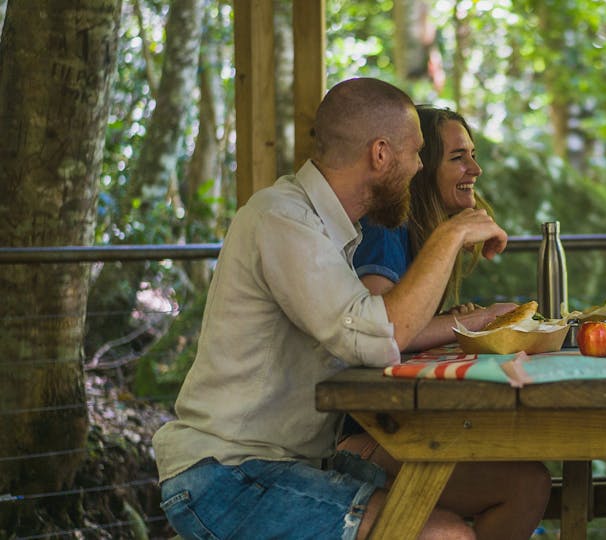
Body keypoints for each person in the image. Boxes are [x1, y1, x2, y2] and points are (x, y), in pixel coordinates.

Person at [152, 78, 550, 540]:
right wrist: (451, 235)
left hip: (300, 462)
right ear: (380, 154)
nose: (421, 167)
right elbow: (378, 335)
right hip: (227, 474)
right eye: (417, 153)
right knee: (446, 536)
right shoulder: (282, 218)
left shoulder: (334, 230)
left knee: (522, 483)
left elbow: (371, 328)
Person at [352, 105, 508, 352]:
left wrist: (448, 320)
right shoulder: (384, 227)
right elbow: (382, 331)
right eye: (458, 158)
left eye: (473, 155)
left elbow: (409, 323)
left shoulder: (427, 227)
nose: (476, 170)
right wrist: (481, 320)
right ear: (420, 167)